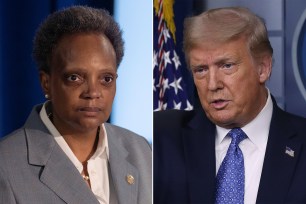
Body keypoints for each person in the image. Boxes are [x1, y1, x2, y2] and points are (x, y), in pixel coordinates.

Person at [0, 6, 151, 204]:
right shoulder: (6, 164)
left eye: (106, 79)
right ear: (46, 82)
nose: (93, 93)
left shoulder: (140, 150)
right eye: (75, 77)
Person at [154, 7, 306, 203]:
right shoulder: (162, 137)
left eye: (227, 66)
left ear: (263, 68)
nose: (212, 84)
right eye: (201, 70)